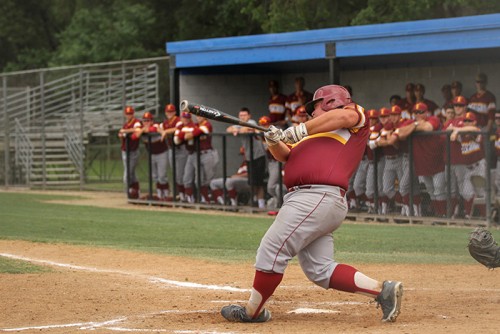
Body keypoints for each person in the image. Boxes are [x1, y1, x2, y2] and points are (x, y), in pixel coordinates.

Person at [220, 84, 403, 324]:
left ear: (330, 102)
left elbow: (343, 116)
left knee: (272, 248)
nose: (311, 113)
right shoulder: (312, 135)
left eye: (314, 107)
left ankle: (252, 313)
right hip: (310, 200)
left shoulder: (352, 116)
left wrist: (299, 130)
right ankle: (383, 291)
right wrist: (273, 140)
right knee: (320, 269)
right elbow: (285, 155)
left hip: (316, 196)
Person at [396, 102, 447, 217]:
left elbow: (428, 127)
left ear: (426, 112)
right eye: (416, 112)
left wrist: (413, 127)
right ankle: (438, 214)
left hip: (438, 161)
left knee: (439, 189)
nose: (418, 114)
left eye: (421, 112)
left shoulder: (433, 118)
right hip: (423, 163)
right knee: (431, 191)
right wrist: (415, 125)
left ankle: (444, 214)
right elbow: (400, 134)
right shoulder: (411, 122)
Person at [226, 108, 267, 209]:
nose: (242, 117)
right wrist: (236, 129)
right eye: (241, 115)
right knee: (252, 182)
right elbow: (229, 129)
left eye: (244, 115)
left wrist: (238, 130)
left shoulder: (251, 122)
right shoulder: (239, 123)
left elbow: (245, 130)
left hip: (259, 156)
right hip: (249, 157)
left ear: (249, 116)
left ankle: (261, 205)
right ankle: (254, 203)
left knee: (259, 182)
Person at [449, 111, 487, 218]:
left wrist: (457, 129)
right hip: (467, 168)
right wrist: (454, 129)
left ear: (474, 122)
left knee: (482, 192)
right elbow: (451, 135)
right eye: (465, 120)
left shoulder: (477, 131)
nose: (467, 123)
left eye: (469, 121)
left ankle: (486, 217)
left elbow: (473, 129)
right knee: (466, 192)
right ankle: (469, 215)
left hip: (479, 166)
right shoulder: (461, 133)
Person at [134, 111, 169, 200]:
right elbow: (135, 135)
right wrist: (143, 130)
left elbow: (158, 130)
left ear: (152, 121)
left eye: (148, 120)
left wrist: (148, 129)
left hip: (162, 153)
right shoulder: (140, 128)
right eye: (144, 121)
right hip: (152, 154)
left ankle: (165, 194)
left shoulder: (156, 126)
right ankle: (159, 194)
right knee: (155, 176)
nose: (146, 122)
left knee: (162, 176)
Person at [259, 115, 286, 215]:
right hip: (271, 162)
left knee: (271, 187)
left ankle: (280, 203)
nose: (264, 127)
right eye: (262, 125)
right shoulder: (260, 134)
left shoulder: (275, 131)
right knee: (273, 187)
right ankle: (278, 202)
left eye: (266, 125)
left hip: (279, 161)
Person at [161, 103, 188, 202]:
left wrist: (165, 132)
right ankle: (181, 195)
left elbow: (178, 128)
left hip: (181, 149)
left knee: (181, 174)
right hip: (171, 149)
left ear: (175, 112)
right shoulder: (165, 122)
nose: (169, 113)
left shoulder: (178, 120)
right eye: (168, 112)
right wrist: (162, 131)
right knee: (176, 174)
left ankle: (185, 196)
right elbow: (157, 127)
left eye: (171, 111)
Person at [118, 106, 142, 199]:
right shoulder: (126, 124)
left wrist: (125, 131)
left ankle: (129, 192)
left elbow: (137, 130)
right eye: (127, 114)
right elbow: (121, 134)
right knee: (132, 174)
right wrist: (121, 134)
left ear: (133, 114)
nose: (129, 115)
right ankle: (135, 192)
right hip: (125, 150)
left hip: (133, 151)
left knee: (127, 175)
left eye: (130, 113)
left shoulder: (136, 122)